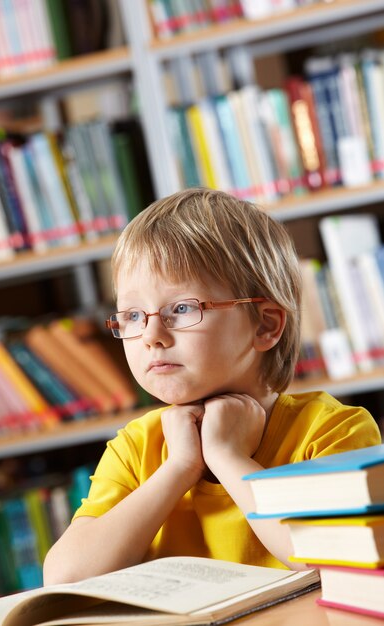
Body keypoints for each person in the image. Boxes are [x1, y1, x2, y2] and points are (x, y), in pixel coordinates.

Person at [43, 188, 381, 585]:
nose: (151, 335)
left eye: (182, 308)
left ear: (266, 324)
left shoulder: (331, 431)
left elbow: (333, 561)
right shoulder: (139, 446)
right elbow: (66, 576)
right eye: (133, 315)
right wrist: (180, 467)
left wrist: (227, 458)